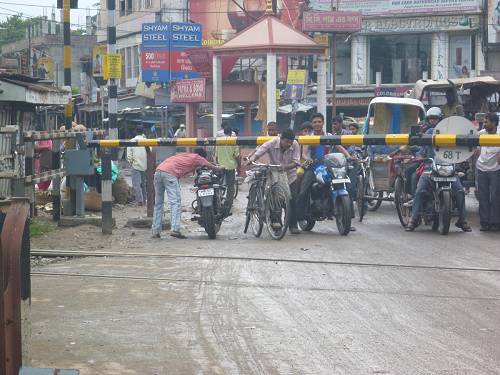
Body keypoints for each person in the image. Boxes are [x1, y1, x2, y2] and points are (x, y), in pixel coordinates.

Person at [406, 107, 471, 232]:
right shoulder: (429, 132)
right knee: (420, 191)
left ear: (441, 119)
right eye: (431, 119)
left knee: (460, 191)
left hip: (449, 168)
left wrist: (462, 158)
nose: (433, 121)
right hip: (430, 167)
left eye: (435, 119)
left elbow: (459, 150)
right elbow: (422, 150)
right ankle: (413, 219)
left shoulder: (452, 133)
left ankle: (462, 220)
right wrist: (419, 157)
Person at [151, 148, 224, 239]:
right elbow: (214, 168)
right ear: (202, 156)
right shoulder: (198, 158)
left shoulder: (184, 155)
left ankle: (155, 231)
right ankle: (175, 229)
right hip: (170, 174)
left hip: (158, 172)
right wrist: (221, 167)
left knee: (158, 203)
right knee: (175, 202)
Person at [298, 113, 355, 229]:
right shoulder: (309, 137)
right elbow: (304, 152)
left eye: (319, 122)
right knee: (303, 190)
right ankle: (300, 215)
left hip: (328, 167)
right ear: (312, 124)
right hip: (312, 167)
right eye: (315, 122)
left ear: (323, 123)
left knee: (346, 186)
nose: (317, 124)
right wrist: (307, 159)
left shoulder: (329, 135)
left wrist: (348, 156)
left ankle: (347, 218)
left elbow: (339, 147)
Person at [247, 129, 301, 234]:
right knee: (274, 199)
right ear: (281, 139)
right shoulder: (272, 143)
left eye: (290, 142)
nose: (289, 144)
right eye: (286, 142)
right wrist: (251, 160)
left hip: (290, 176)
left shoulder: (295, 145)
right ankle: (276, 224)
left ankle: (293, 225)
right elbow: (261, 150)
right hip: (275, 174)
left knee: (292, 200)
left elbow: (296, 162)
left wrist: (285, 167)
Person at [476, 112, 500, 231]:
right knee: (483, 196)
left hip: (496, 170)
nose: (484, 124)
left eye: (486, 122)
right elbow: (476, 149)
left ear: (494, 123)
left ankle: (495, 222)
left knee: (495, 196)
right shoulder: (481, 134)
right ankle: (484, 222)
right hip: (481, 168)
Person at [215, 126, 241, 215]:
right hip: (230, 166)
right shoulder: (233, 141)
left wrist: (216, 163)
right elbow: (237, 156)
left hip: (220, 166)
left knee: (219, 184)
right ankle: (228, 205)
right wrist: (239, 166)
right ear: (231, 132)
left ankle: (218, 200)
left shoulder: (219, 141)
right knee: (230, 186)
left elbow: (216, 154)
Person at [127, 125, 148, 206]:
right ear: (143, 132)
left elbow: (129, 156)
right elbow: (150, 152)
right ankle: (144, 200)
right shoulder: (147, 141)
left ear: (136, 132)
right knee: (143, 184)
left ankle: (140, 201)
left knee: (136, 184)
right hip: (144, 165)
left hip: (135, 165)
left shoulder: (132, 141)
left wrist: (131, 163)